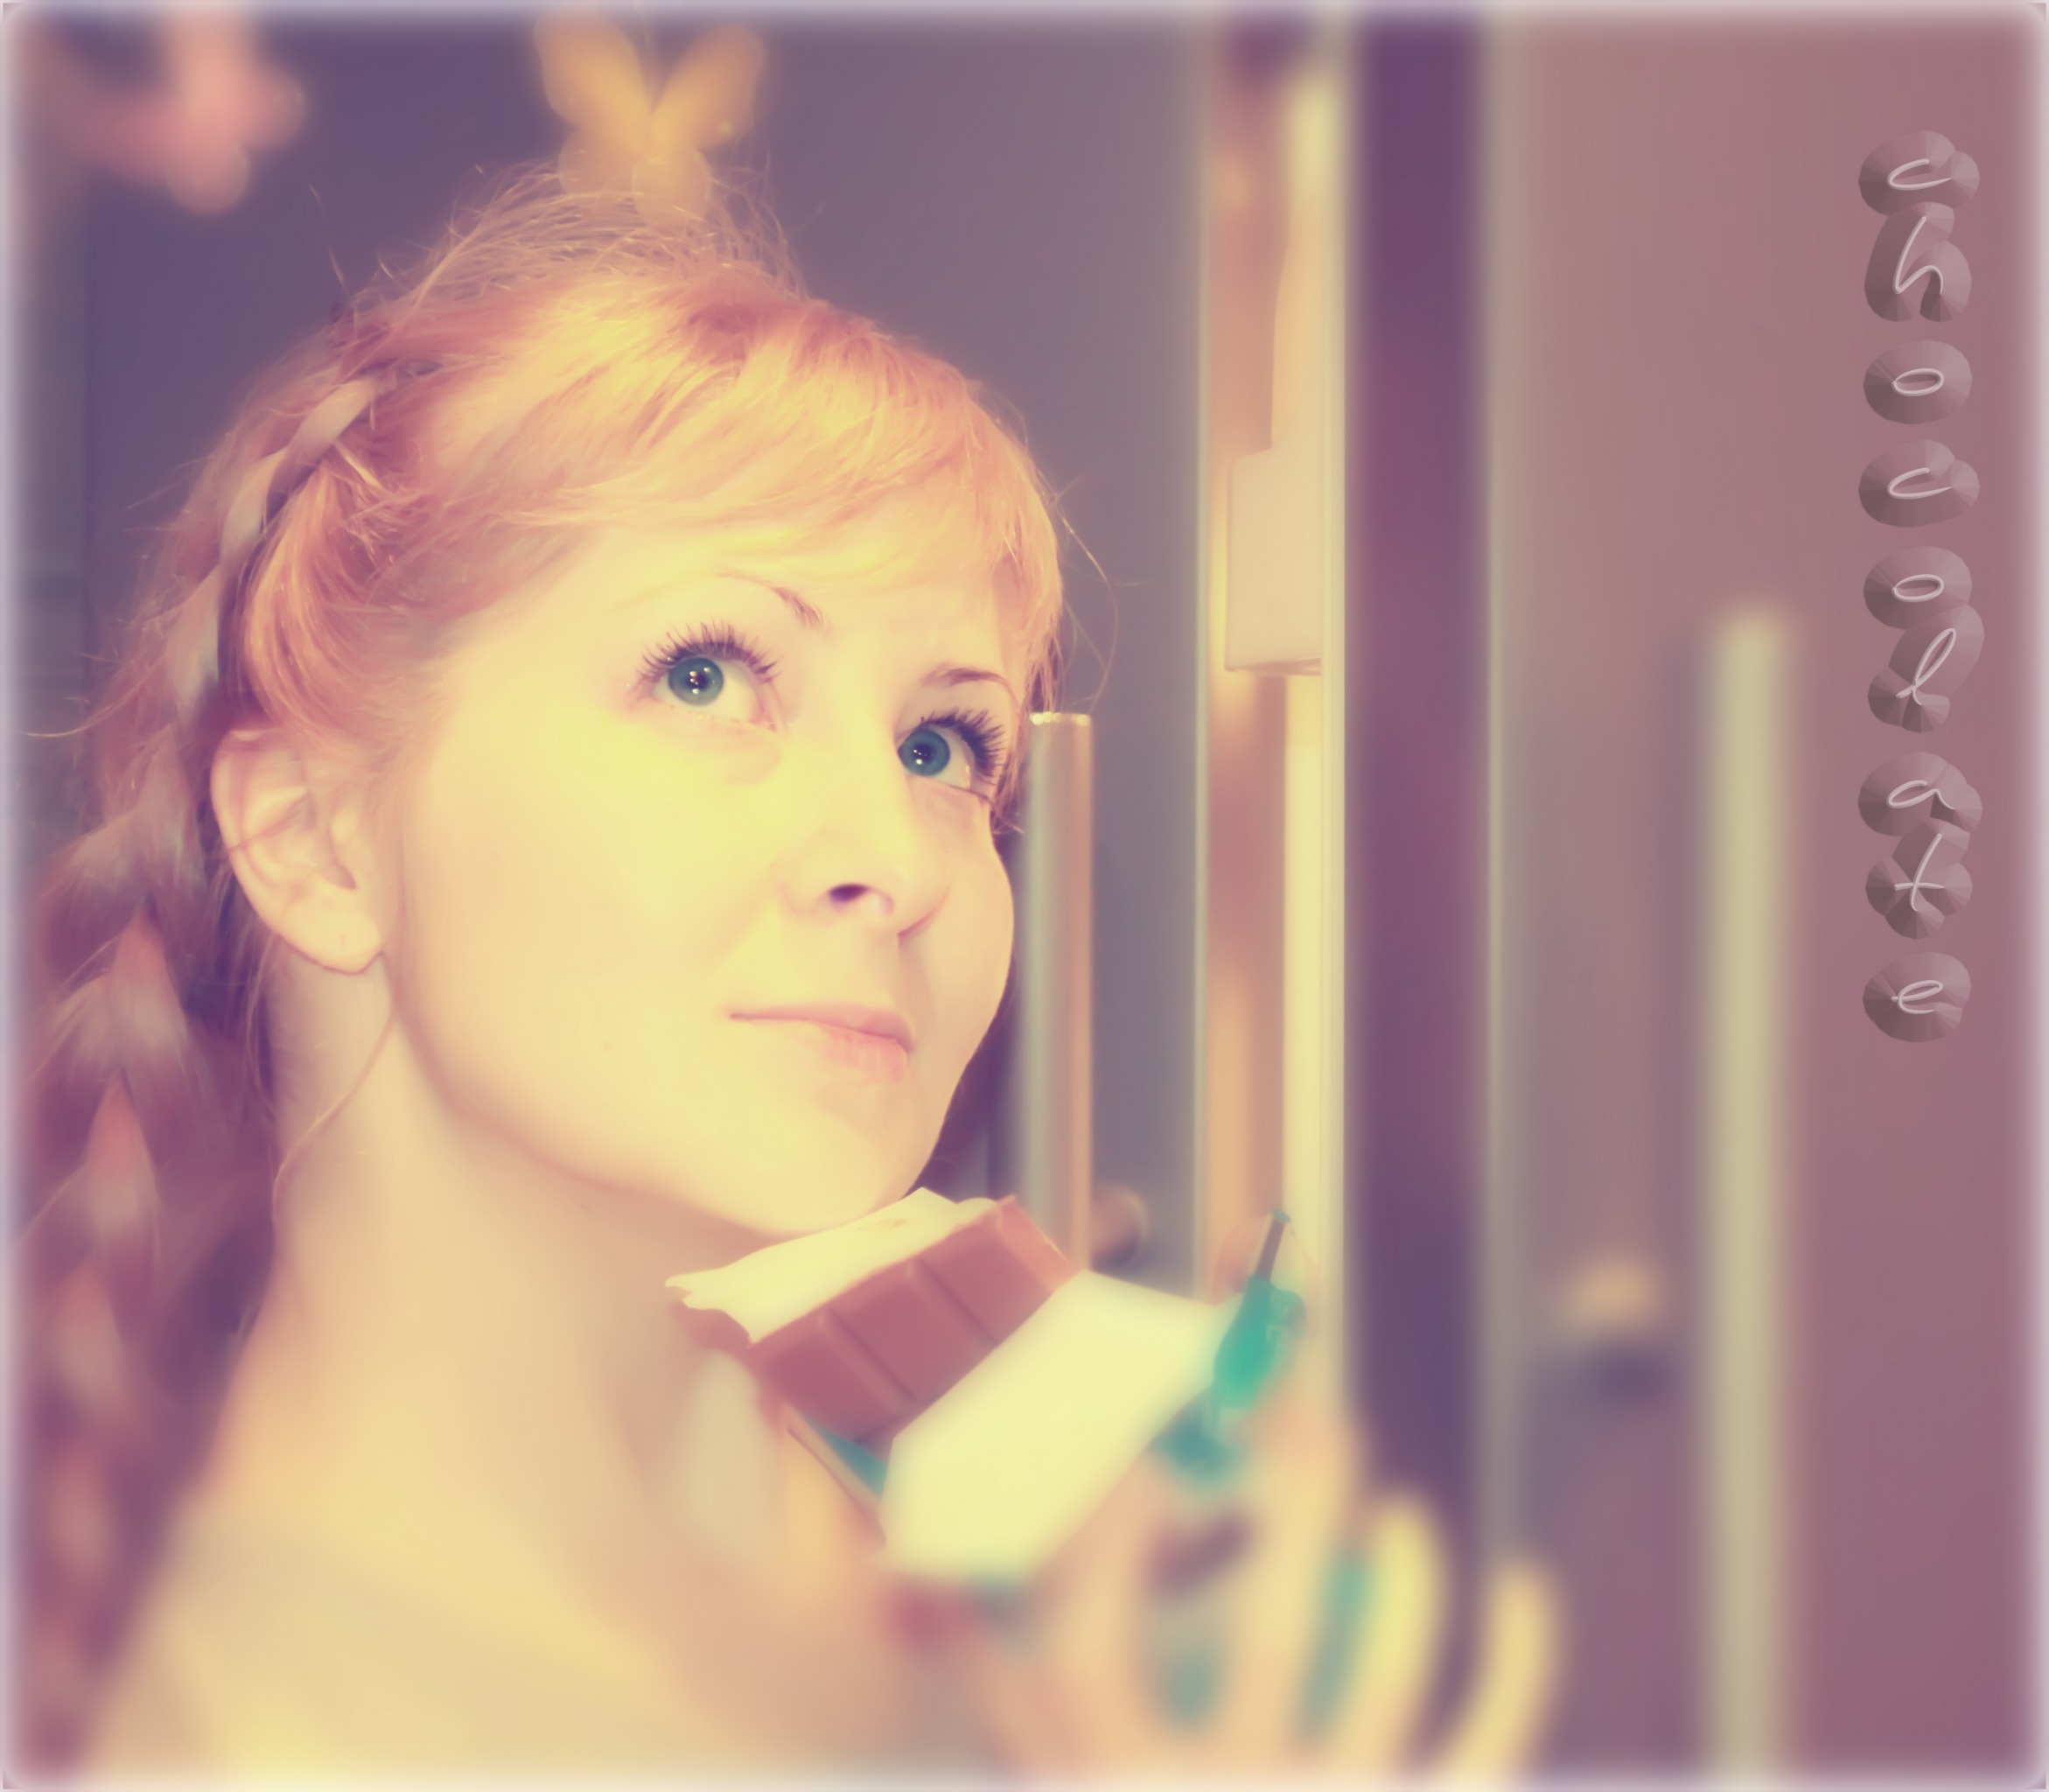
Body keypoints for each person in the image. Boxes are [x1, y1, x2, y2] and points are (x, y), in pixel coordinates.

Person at [17, 158, 1555, 1776]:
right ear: (315, 841)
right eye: (704, 675)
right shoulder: (233, 1737)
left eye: (942, 745)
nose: (899, 859)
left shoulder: (1017, 1547)